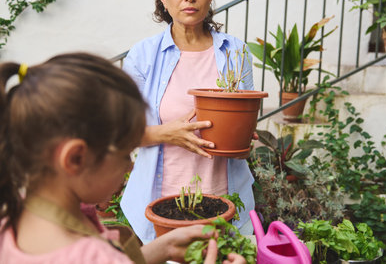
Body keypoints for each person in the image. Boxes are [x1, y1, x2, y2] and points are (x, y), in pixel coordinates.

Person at [0, 53, 245, 264]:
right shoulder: (93, 255)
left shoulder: (15, 215)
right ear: (75, 159)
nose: (130, 165)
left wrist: (161, 249)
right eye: (125, 152)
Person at [120, 0, 256, 243]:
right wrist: (167, 133)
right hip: (162, 205)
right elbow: (121, 133)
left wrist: (243, 140)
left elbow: (244, 118)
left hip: (226, 200)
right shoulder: (142, 56)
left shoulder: (236, 52)